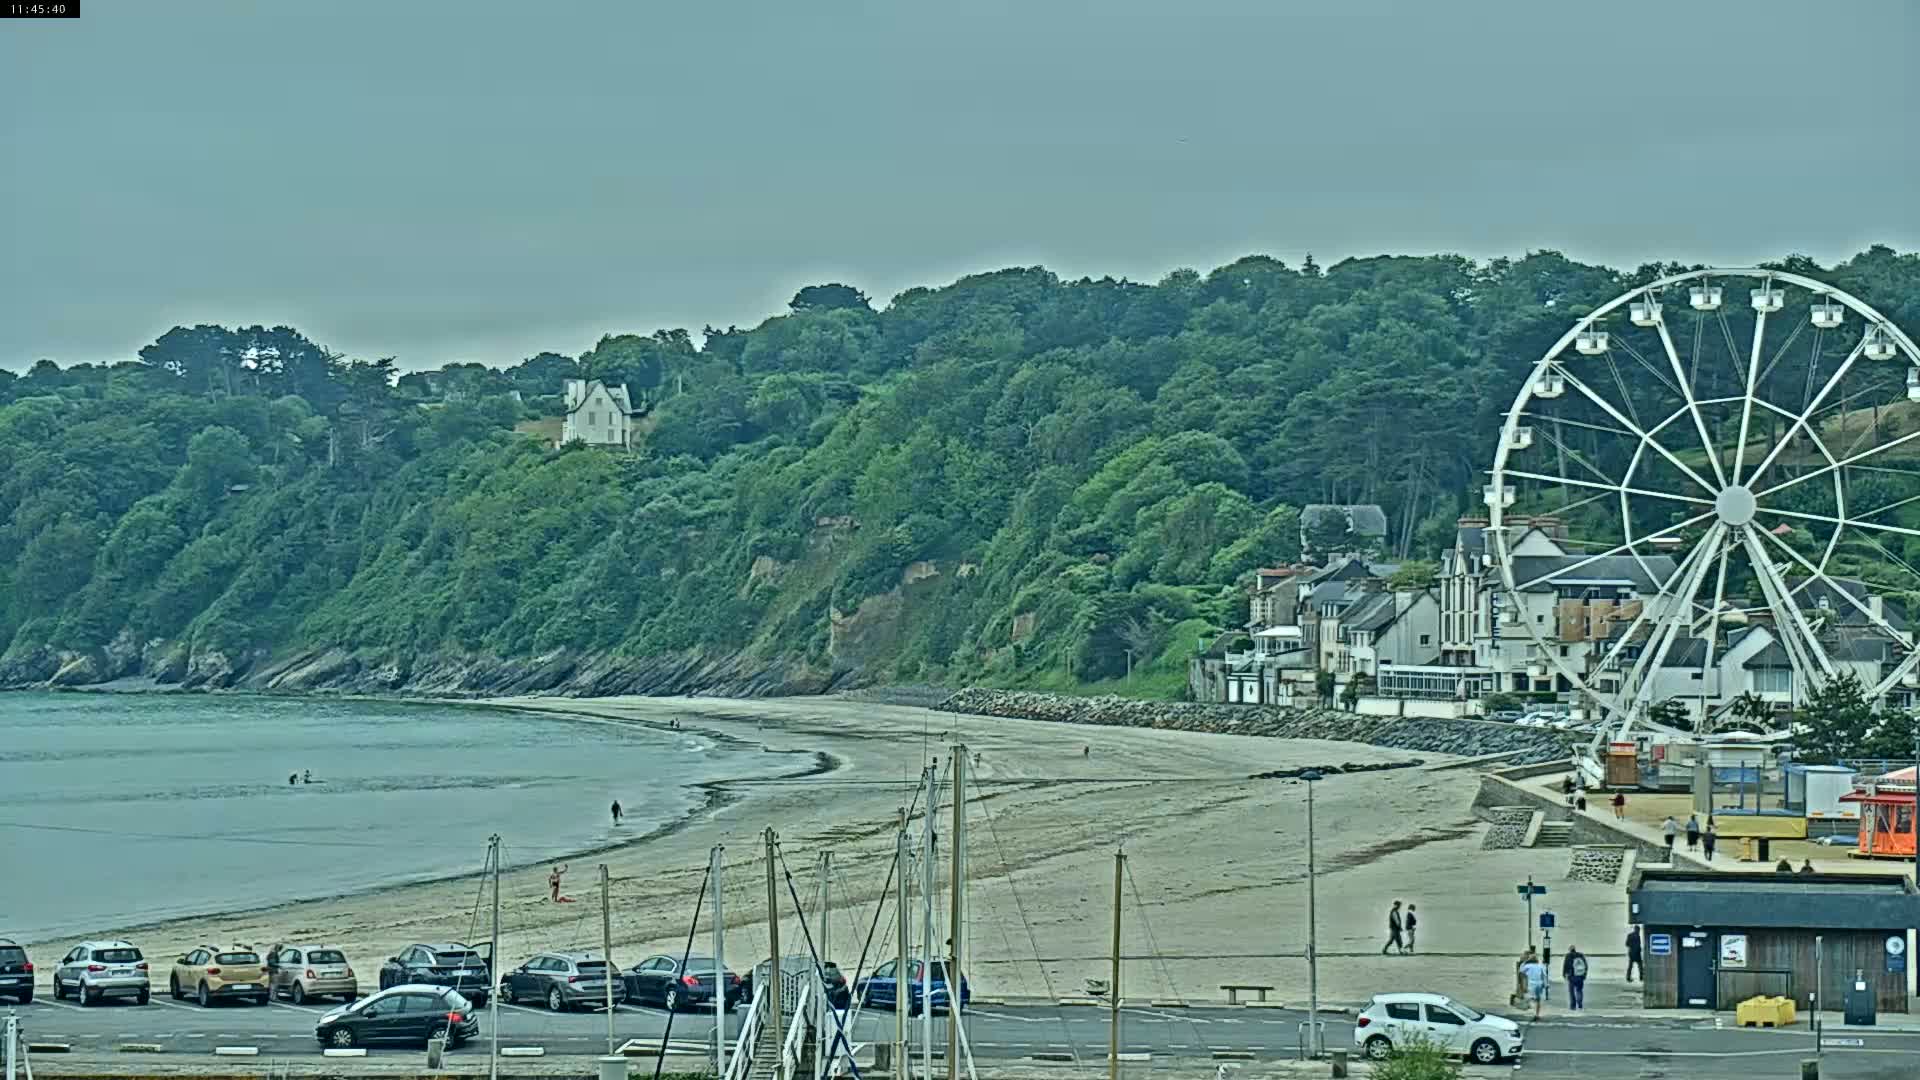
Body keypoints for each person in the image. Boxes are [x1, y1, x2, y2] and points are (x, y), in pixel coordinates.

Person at [1520, 951, 1550, 1020]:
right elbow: (1544, 975)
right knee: (1538, 1000)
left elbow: (1521, 971)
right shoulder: (1541, 965)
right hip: (1539, 983)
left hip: (1531, 983)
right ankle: (1537, 1014)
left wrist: (1524, 962)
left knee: (1530, 998)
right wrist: (1546, 984)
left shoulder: (1527, 966)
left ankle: (1532, 1011)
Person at [1561, 945, 1588, 1010]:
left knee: (1571, 992)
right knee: (1579, 990)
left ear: (1570, 950)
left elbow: (1565, 966)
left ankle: (1573, 1006)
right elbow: (1586, 966)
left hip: (1572, 976)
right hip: (1580, 976)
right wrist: (1584, 975)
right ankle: (1580, 1004)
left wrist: (1564, 974)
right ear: (1575, 949)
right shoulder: (1581, 955)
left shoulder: (1568, 955)